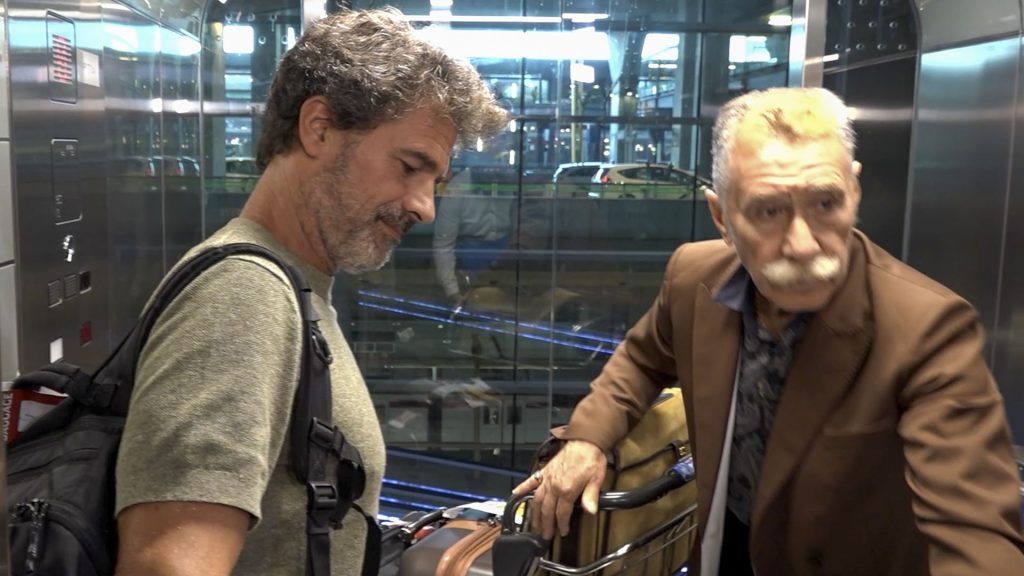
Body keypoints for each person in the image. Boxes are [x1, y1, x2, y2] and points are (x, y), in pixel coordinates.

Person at [513, 87, 1024, 575]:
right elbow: (643, 358)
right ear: (720, 215)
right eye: (769, 211)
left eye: (825, 203)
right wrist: (587, 439)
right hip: (727, 542)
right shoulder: (693, 278)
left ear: (855, 189)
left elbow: (972, 527)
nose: (803, 244)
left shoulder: (928, 328)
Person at [113, 9, 507, 576]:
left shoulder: (296, 288)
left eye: (435, 181)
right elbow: (166, 565)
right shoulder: (244, 295)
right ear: (318, 128)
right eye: (410, 166)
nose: (425, 206)